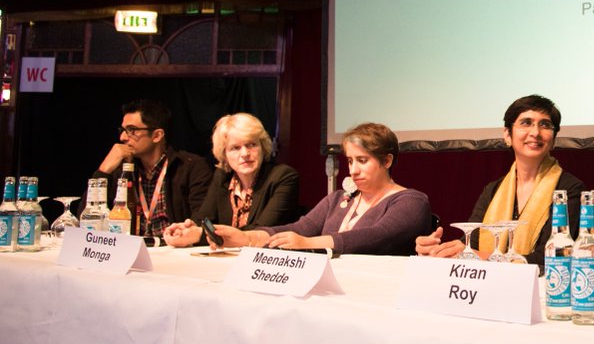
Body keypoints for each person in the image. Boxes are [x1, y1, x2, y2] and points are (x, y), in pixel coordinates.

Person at [414, 95, 583, 268]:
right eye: (526, 123)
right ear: (507, 135)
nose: (535, 132)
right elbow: (472, 244)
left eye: (545, 125)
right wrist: (438, 250)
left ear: (554, 139)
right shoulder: (493, 190)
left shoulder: (569, 189)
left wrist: (484, 257)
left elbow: (552, 256)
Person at [212, 122, 430, 255]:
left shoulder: (411, 201)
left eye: (362, 160)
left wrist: (309, 244)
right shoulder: (337, 199)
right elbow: (300, 228)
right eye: (350, 161)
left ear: (387, 161)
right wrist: (245, 238)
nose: (353, 170)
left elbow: (377, 236)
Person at [163, 113, 301, 247]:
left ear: (262, 146)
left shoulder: (283, 177)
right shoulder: (222, 176)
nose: (245, 153)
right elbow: (204, 219)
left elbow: (260, 233)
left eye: (251, 145)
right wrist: (187, 228)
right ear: (224, 154)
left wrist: (199, 234)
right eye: (235, 148)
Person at [94, 99, 212, 237]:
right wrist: (103, 171)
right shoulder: (122, 169)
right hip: (129, 250)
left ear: (157, 135)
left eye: (131, 130)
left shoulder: (191, 167)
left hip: (174, 251)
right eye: (123, 130)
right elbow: (89, 220)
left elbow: (202, 220)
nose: (122, 137)